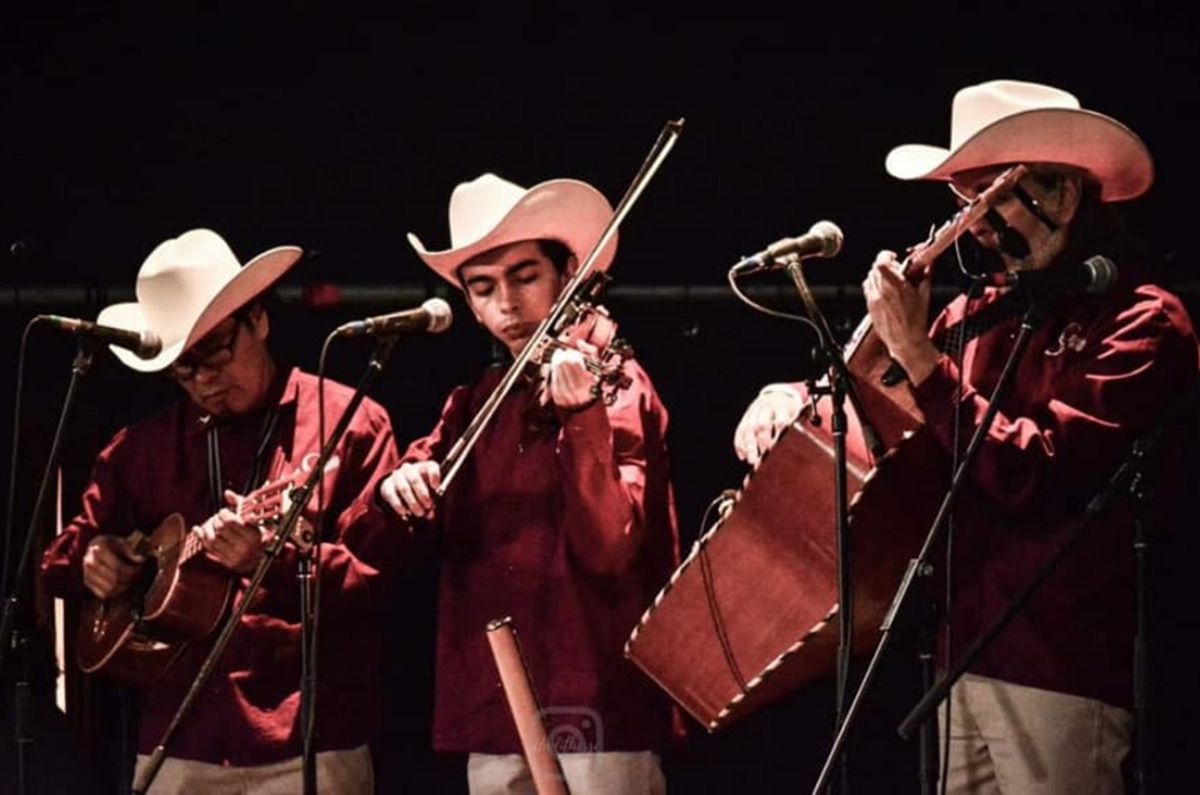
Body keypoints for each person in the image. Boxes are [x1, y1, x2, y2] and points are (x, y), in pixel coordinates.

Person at [732, 79, 1200, 793]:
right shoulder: (985, 312)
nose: (971, 230)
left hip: (1061, 666)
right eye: (961, 205)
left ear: (1064, 195)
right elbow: (873, 406)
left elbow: (1034, 475)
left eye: (985, 200)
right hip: (955, 655)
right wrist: (789, 396)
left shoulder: (1142, 319)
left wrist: (921, 357)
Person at [39, 228, 405, 794]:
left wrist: (271, 560)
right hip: (178, 736)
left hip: (307, 737)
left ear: (258, 320)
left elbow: (380, 579)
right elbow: (60, 558)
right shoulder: (141, 447)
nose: (204, 380)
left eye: (214, 353)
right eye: (183, 370)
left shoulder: (348, 421)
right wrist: (93, 557)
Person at [375, 173, 682, 794]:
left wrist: (584, 418)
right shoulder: (473, 403)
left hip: (594, 685)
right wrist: (400, 485)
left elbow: (611, 547)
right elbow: (411, 485)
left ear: (568, 274)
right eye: (484, 289)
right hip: (493, 695)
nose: (507, 305)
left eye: (524, 276)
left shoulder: (617, 383)